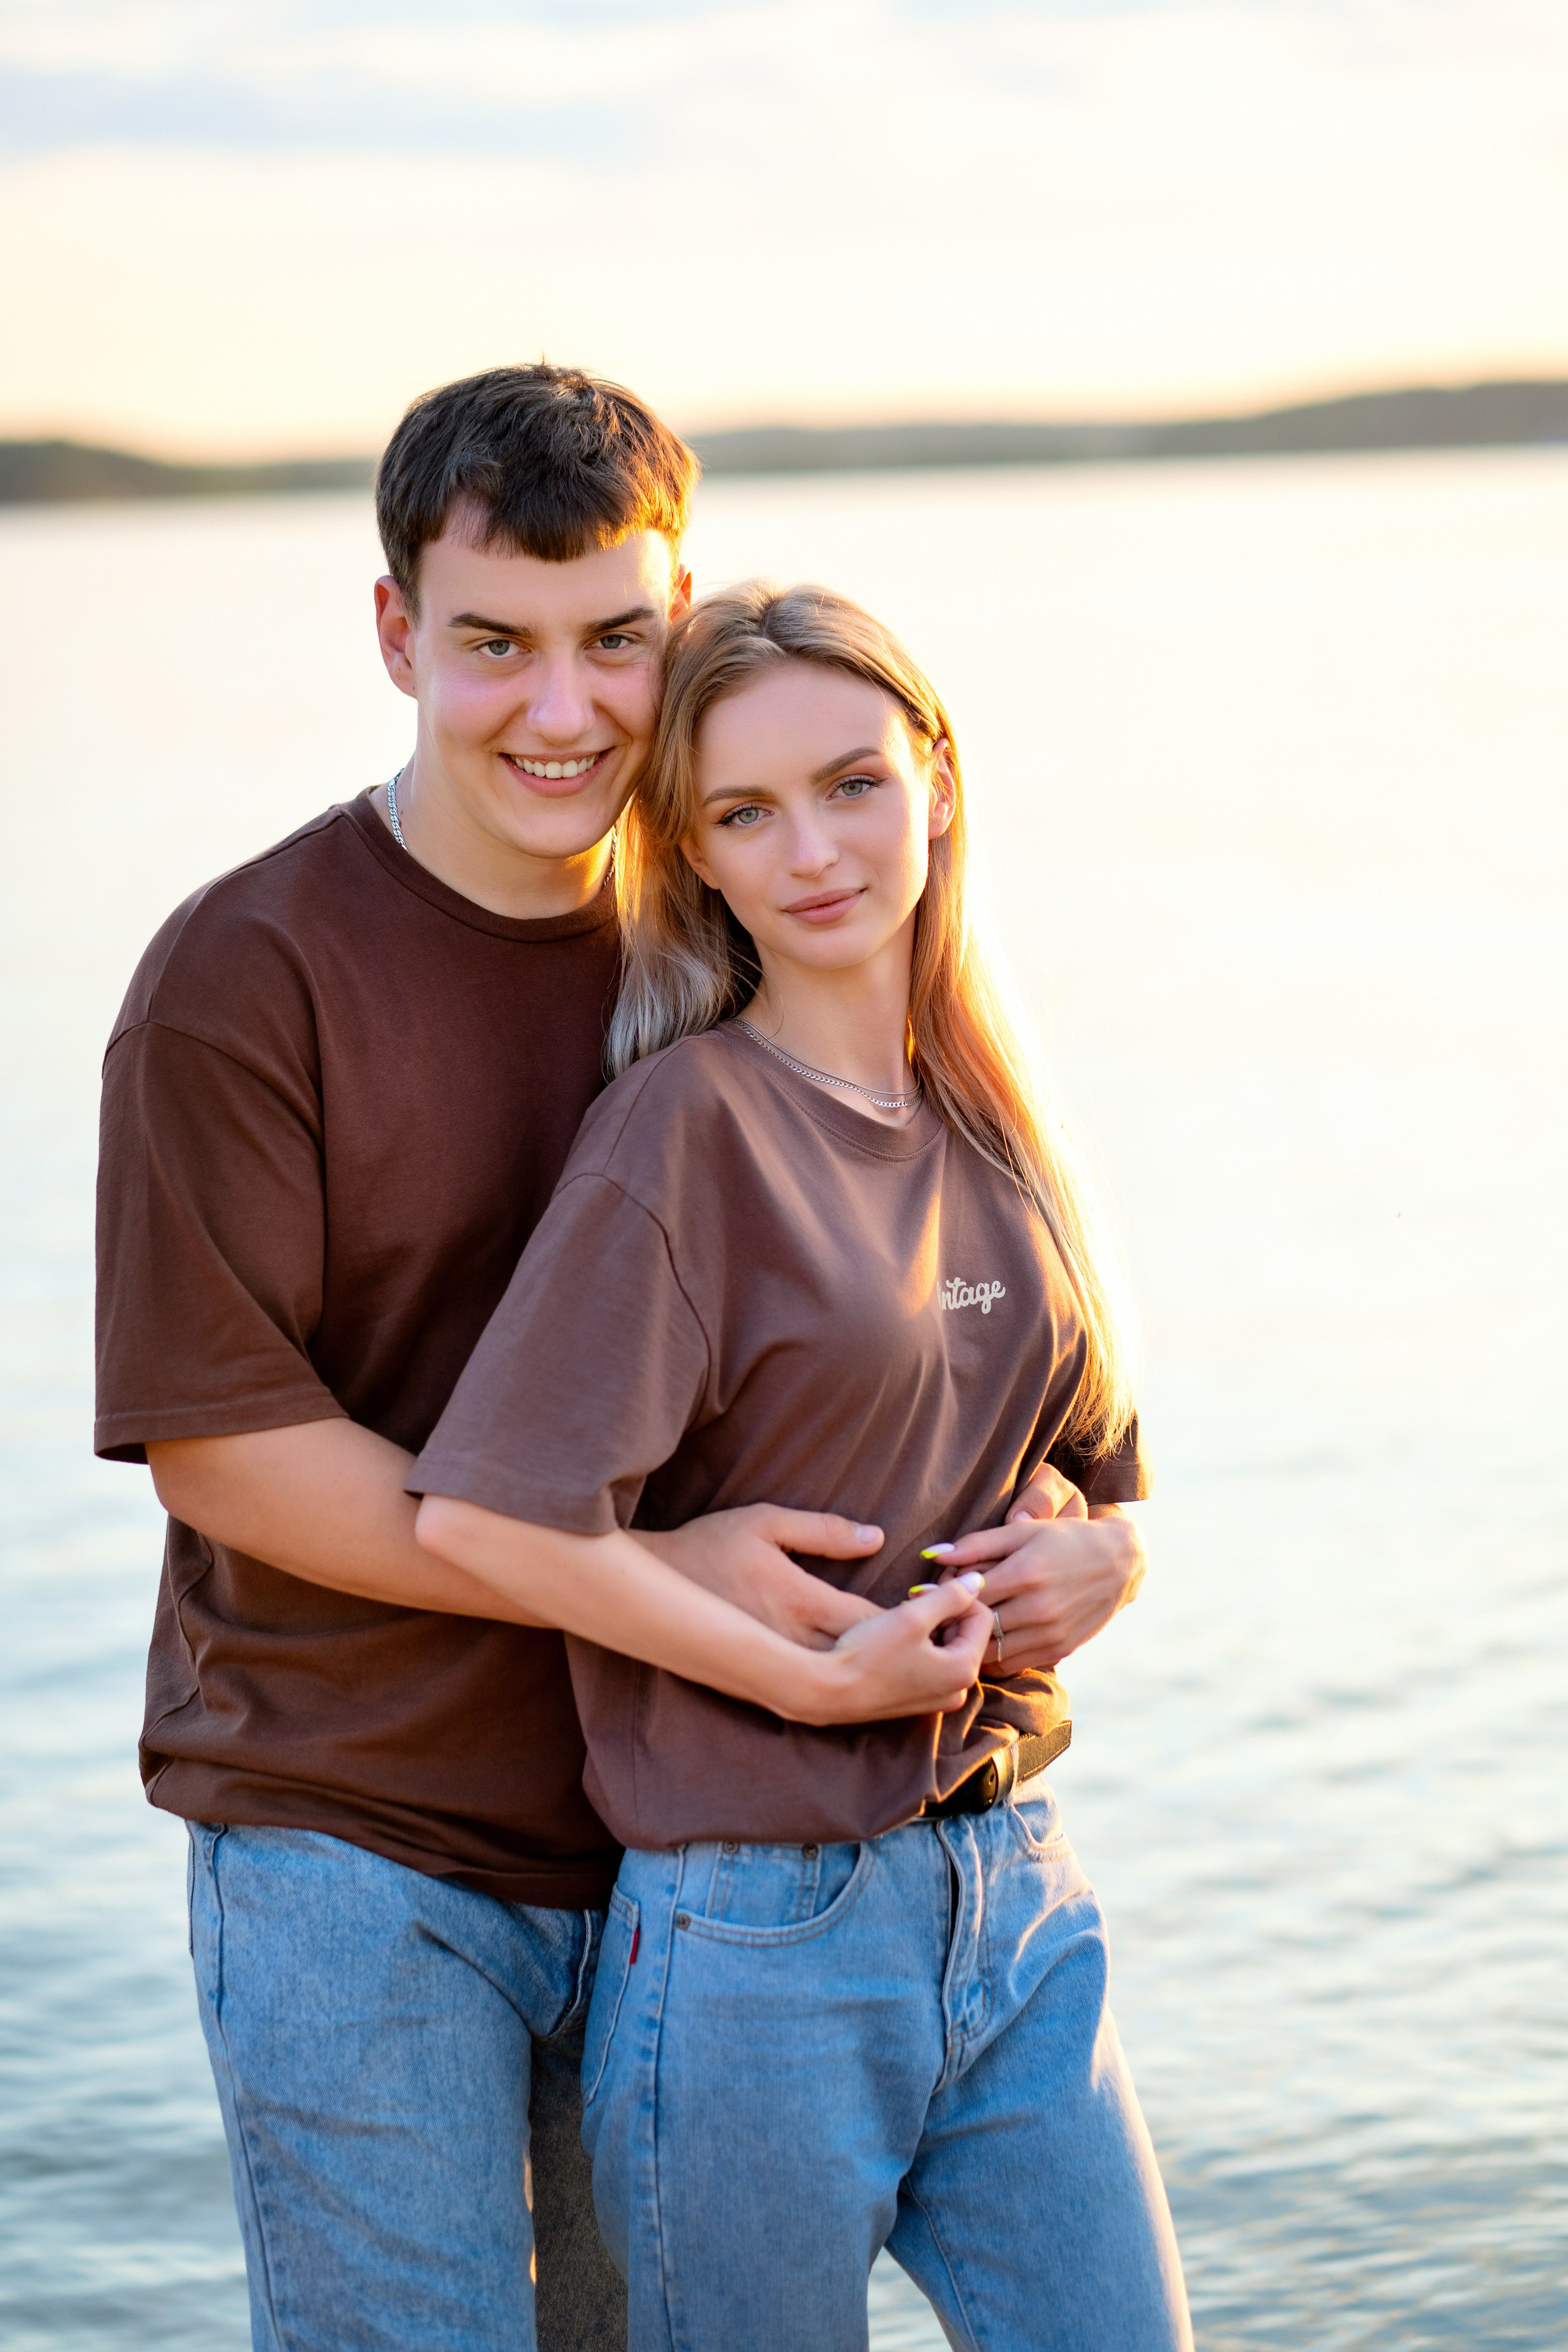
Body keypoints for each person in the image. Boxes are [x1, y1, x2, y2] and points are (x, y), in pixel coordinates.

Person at [94, 369, 1066, 2352]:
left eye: (615, 640)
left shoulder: (734, 925)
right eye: (494, 646)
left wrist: (1091, 1529)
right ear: (397, 635)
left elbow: (921, 1309)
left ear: (679, 619)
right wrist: (651, 1574)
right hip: (358, 1841)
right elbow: (231, 1454)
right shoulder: (244, 974)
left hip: (682, 1862)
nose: (563, 710)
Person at [408, 582, 1193, 2351]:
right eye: (746, 814)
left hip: (1014, 1894)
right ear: (692, 854)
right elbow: (488, 1521)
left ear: (936, 776)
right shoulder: (684, 1129)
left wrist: (1112, 1555)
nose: (814, 852)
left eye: (851, 784)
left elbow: (1079, 1465)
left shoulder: (997, 1116)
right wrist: (810, 1681)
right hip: (753, 1934)